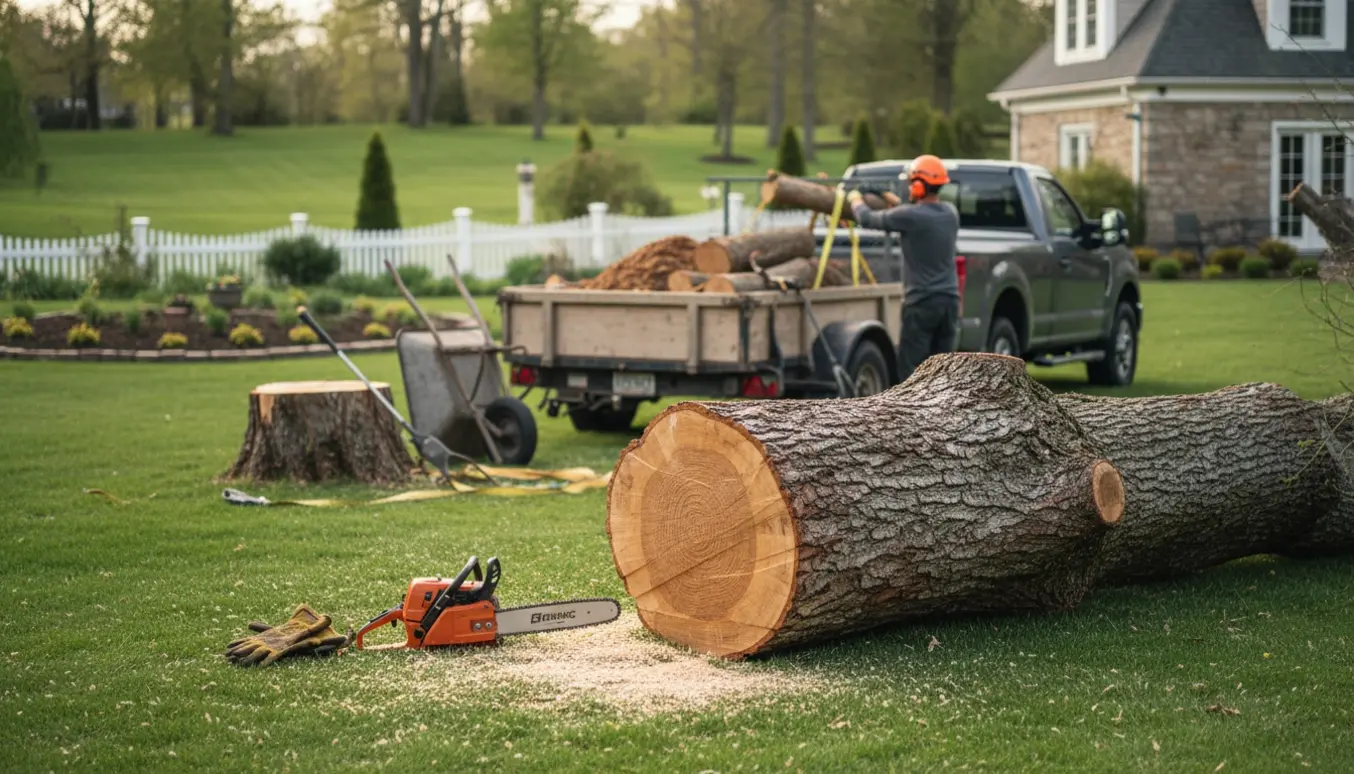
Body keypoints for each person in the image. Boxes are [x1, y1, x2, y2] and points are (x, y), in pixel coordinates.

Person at [846, 154, 961, 382]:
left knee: (911, 372)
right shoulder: (950, 213)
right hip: (949, 302)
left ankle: (911, 416)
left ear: (919, 185)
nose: (909, 187)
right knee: (943, 373)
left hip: (921, 304)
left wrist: (855, 199)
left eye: (911, 183)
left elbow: (868, 219)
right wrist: (884, 196)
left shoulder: (911, 215)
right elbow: (914, 215)